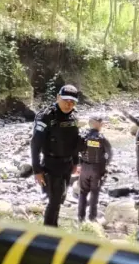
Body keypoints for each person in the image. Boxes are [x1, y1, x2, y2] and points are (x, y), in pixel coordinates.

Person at [30, 84, 81, 227]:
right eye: (65, 100)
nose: (68, 104)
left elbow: (75, 141)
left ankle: (54, 226)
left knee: (61, 198)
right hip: (51, 164)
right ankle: (48, 231)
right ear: (58, 97)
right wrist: (37, 170)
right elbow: (35, 144)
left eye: (72, 102)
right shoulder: (46, 116)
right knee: (54, 200)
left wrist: (76, 162)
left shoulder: (73, 116)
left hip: (67, 164)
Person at [76, 115, 113, 223]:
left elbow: (76, 150)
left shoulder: (83, 136)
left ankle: (80, 217)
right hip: (97, 169)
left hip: (84, 168)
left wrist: (78, 163)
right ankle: (92, 218)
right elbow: (109, 154)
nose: (102, 124)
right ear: (97, 124)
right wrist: (106, 165)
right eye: (101, 123)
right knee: (94, 193)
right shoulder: (102, 138)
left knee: (83, 192)